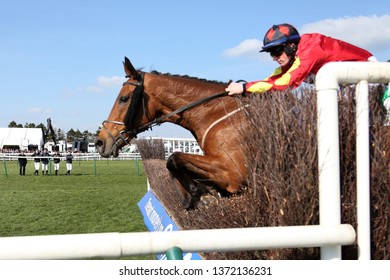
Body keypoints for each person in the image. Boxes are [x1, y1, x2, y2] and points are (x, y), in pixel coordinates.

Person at [226, 23, 376, 95]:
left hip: (371, 80)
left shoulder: (310, 50)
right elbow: (273, 80)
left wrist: (245, 87)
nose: (274, 58)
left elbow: (286, 83)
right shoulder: (294, 57)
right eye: (271, 53)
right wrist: (245, 89)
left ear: (291, 46)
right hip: (347, 85)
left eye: (276, 51)